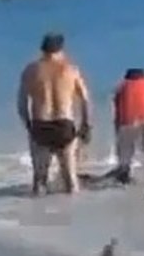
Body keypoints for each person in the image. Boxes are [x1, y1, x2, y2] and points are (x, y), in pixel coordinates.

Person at [17, 32, 92, 195]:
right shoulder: (71, 69)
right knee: (71, 180)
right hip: (64, 126)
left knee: (39, 180)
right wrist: (86, 124)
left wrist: (29, 125)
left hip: (40, 124)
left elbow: (22, 104)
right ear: (61, 49)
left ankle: (38, 216)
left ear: (43, 50)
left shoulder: (30, 70)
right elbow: (85, 99)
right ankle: (72, 216)